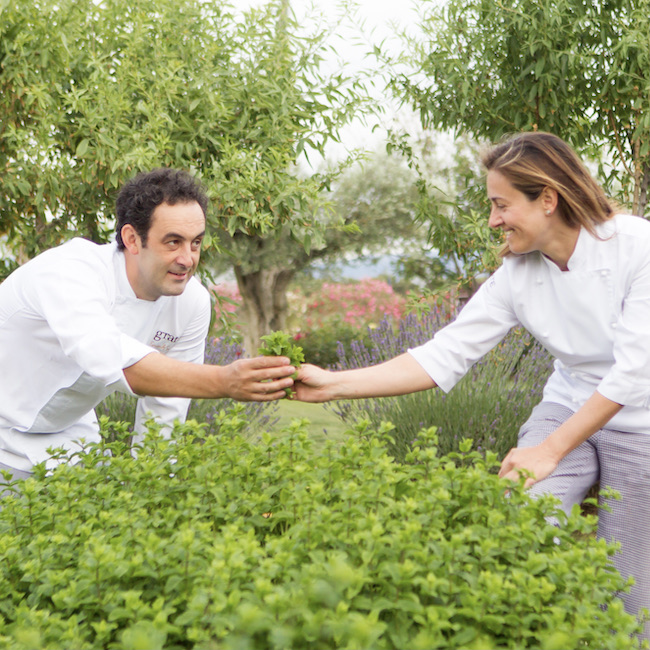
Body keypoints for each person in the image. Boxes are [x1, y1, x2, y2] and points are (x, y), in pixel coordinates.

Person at [295, 131, 650, 639]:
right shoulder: (515, 276)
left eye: (502, 205)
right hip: (568, 406)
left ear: (547, 199)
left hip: (640, 422)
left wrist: (548, 450)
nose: (493, 220)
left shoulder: (637, 246)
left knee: (633, 594)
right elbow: (443, 354)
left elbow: (633, 374)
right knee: (522, 515)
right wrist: (333, 384)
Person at [0, 168, 295, 480]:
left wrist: (152, 487)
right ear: (132, 239)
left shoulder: (191, 302)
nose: (187, 259)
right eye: (173, 242)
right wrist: (224, 381)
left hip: (69, 437)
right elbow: (109, 357)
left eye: (195, 243)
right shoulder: (71, 272)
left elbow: (167, 407)